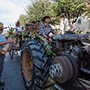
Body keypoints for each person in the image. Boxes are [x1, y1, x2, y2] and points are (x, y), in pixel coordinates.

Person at [0, 22, 14, 86]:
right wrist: (8, 41)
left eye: (2, 29)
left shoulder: (0, 34)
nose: (2, 30)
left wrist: (8, 39)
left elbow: (3, 40)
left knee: (1, 68)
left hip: (2, 54)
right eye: (1, 29)